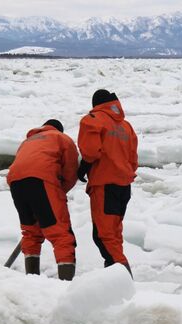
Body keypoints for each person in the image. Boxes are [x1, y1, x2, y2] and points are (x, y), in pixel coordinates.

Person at [7, 119, 79, 281]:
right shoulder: (61, 138)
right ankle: (65, 286)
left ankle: (32, 280)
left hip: (15, 183)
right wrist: (59, 193)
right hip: (42, 179)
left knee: (30, 232)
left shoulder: (27, 141)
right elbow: (70, 170)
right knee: (61, 235)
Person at [77, 89, 138, 277]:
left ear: (96, 104)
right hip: (123, 186)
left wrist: (82, 168)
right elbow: (133, 160)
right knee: (114, 235)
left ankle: (123, 277)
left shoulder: (93, 119)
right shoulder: (126, 127)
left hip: (105, 185)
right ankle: (112, 276)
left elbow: (90, 151)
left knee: (104, 236)